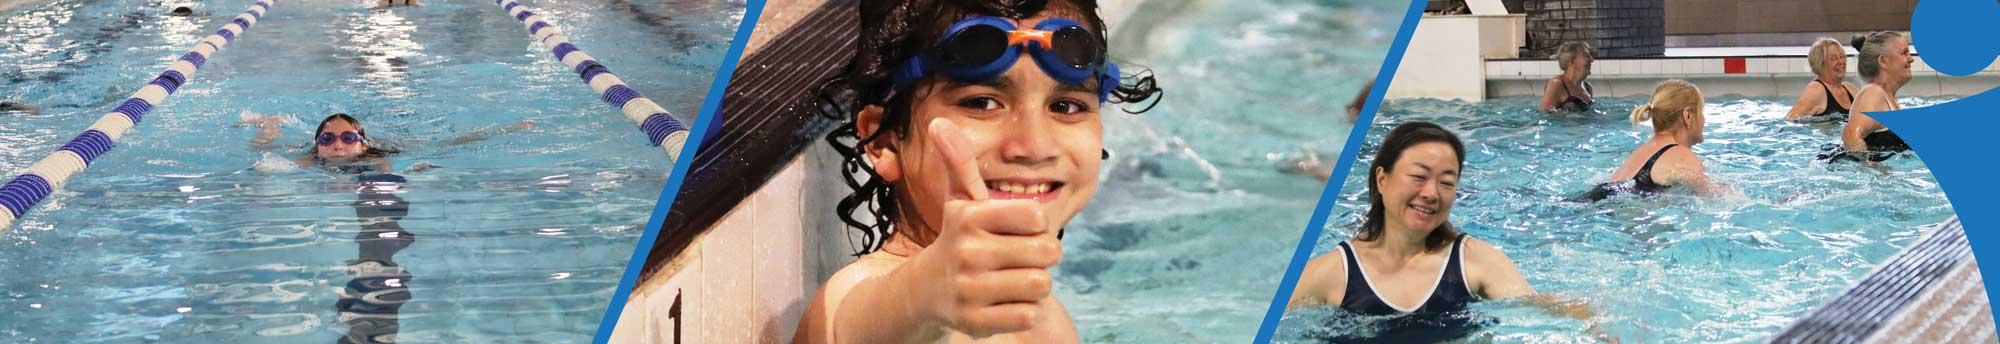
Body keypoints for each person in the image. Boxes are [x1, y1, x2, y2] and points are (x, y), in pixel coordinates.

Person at [795, 0, 1162, 342]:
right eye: (982, 103)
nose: (1034, 147)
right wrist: (921, 292)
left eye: (1065, 106)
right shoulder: (860, 297)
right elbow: (853, 327)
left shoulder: (1042, 317)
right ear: (886, 143)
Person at [1288, 122, 1606, 342]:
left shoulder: (1476, 262)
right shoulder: (1332, 273)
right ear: (1382, 180)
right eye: (1418, 176)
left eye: (1447, 182)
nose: (1431, 193)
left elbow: (1535, 306)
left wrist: (1593, 323)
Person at [1576, 80, 1722, 201]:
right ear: (1688, 116)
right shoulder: (1681, 155)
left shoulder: (1644, 151)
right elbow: (1716, 199)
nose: (1704, 119)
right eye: (1701, 111)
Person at [242, 113, 531, 173]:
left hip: (397, 143)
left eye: (348, 138)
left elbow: (388, 174)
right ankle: (271, 123)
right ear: (317, 144)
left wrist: (411, 172)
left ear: (362, 144)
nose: (338, 146)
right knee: (260, 147)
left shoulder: (374, 156)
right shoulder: (313, 157)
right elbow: (276, 165)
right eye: (327, 139)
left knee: (447, 144)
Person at [1823, 31, 1914, 163]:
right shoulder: (1873, 93)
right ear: (1883, 61)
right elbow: (1850, 136)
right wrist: (1874, 172)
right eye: (1904, 53)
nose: (1911, 59)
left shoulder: (1888, 98)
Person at [1786, 38, 1859, 123]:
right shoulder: (1816, 89)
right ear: (1821, 63)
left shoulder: (1850, 89)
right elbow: (1790, 119)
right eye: (1833, 58)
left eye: (1842, 57)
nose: (1840, 62)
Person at [1539, 42, 1595, 112]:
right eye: (1586, 56)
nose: (1592, 60)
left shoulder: (1587, 87)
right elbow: (1544, 115)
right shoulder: (1557, 84)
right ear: (1571, 61)